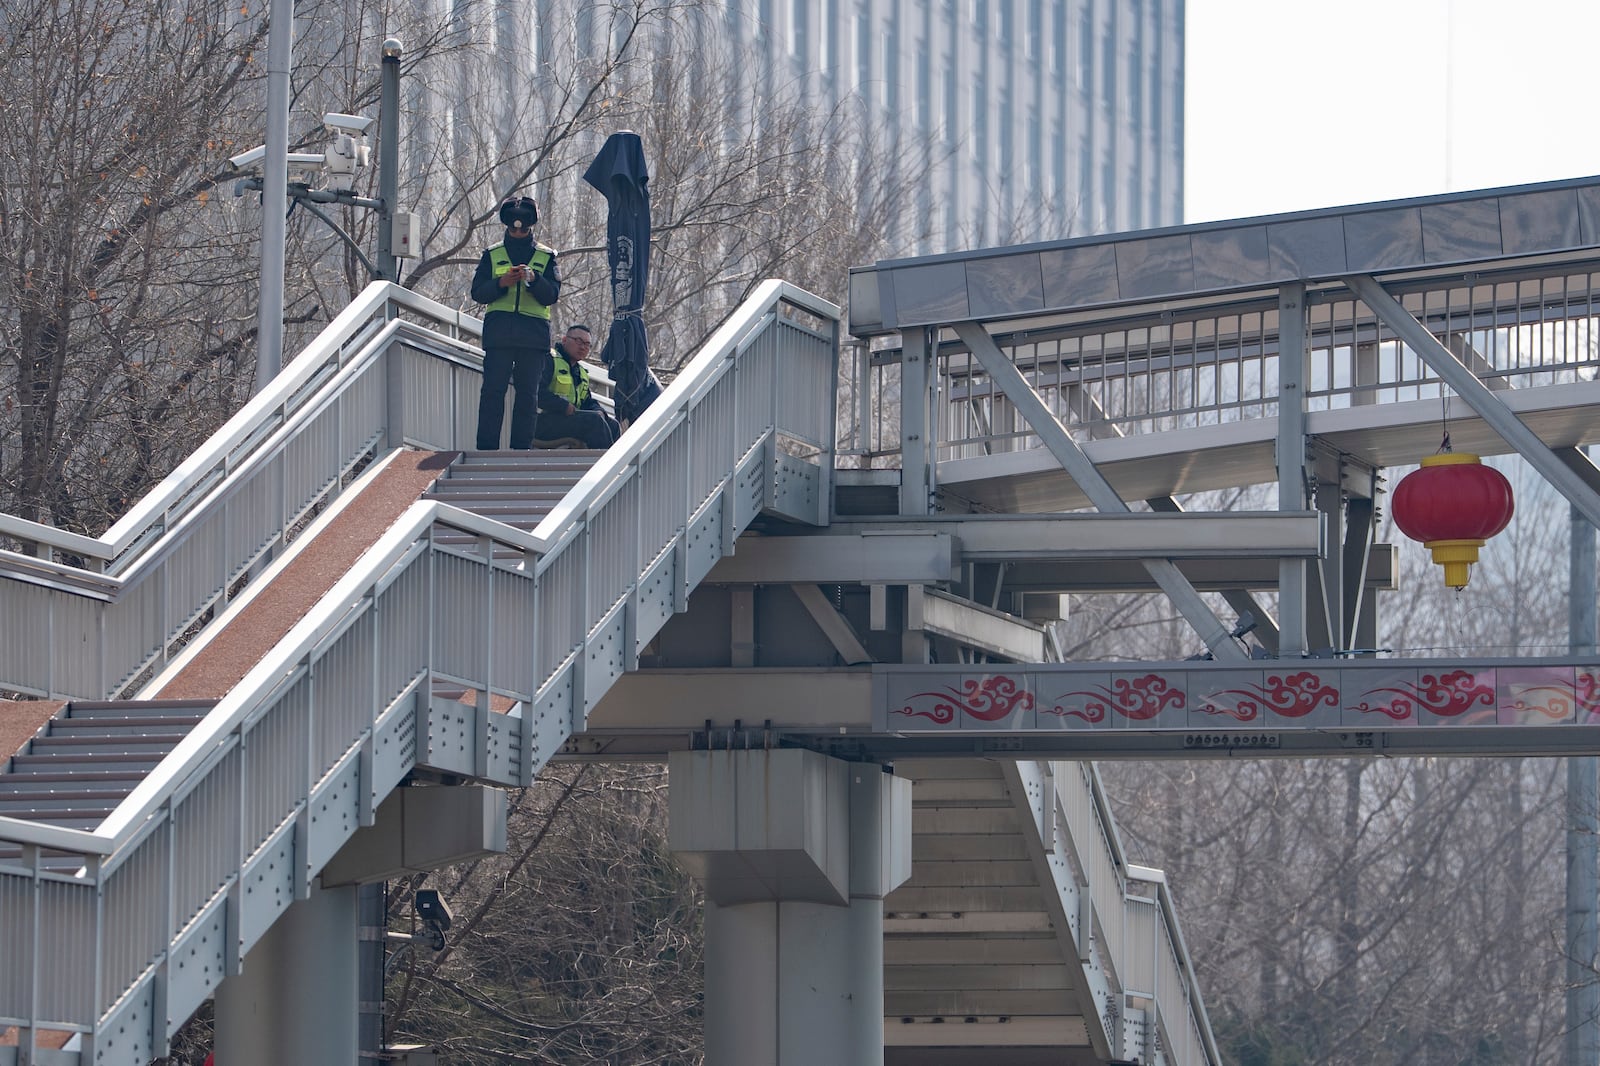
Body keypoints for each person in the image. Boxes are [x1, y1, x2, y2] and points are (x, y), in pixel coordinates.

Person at [470, 194, 561, 449]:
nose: (518, 230)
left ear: (531, 225)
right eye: (513, 225)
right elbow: (477, 292)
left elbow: (552, 295)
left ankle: (521, 449)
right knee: (492, 393)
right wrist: (501, 283)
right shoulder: (492, 254)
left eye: (523, 225)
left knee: (528, 396)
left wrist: (533, 280)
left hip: (533, 337)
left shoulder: (546, 256)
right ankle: (486, 448)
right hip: (499, 334)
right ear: (507, 225)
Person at [536, 324, 621, 448]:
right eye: (578, 341)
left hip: (568, 420)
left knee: (612, 425)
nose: (583, 347)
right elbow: (537, 393)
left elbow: (587, 400)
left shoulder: (581, 372)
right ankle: (604, 465)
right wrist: (563, 406)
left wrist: (598, 411)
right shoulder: (549, 360)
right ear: (564, 340)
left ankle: (615, 463)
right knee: (594, 422)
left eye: (587, 344)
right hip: (543, 421)